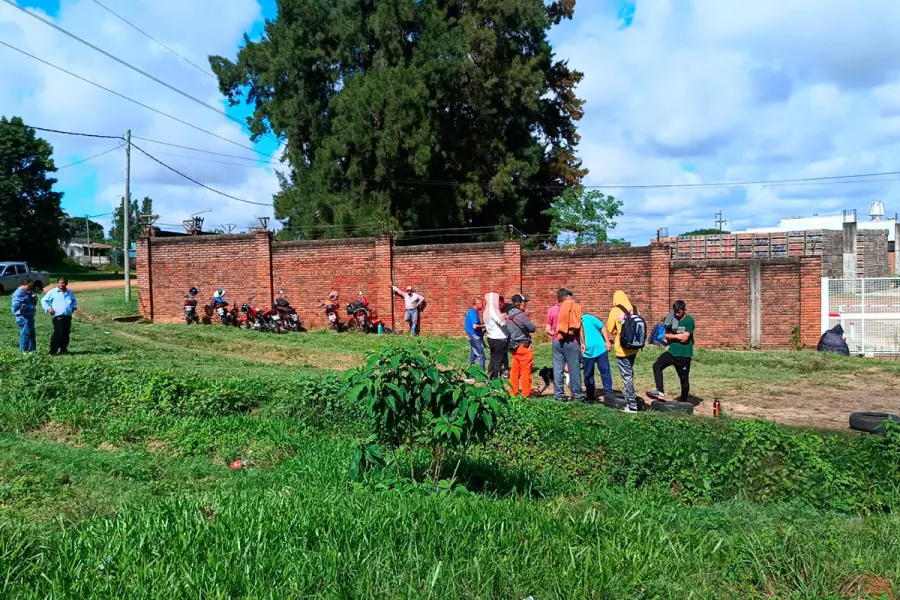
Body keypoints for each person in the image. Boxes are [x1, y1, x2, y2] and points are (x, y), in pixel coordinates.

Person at [649, 300, 695, 403]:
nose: (677, 314)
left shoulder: (689, 321)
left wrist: (670, 336)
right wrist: (663, 337)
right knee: (656, 366)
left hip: (684, 355)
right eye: (675, 312)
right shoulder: (672, 318)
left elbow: (684, 338)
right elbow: (666, 334)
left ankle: (683, 402)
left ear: (684, 310)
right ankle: (660, 392)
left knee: (684, 380)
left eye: (679, 312)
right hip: (672, 352)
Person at [607, 290, 640, 412]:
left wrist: (618, 330)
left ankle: (632, 406)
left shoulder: (615, 310)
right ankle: (631, 398)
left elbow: (610, 329)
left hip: (622, 349)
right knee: (629, 374)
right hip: (634, 348)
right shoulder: (634, 309)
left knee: (627, 377)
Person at [553, 289, 584, 401]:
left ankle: (558, 395)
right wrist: (583, 342)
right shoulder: (573, 307)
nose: (572, 300)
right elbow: (579, 326)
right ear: (565, 297)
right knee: (574, 370)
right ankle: (578, 395)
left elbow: (548, 328)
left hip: (557, 342)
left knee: (558, 370)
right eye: (570, 297)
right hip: (572, 341)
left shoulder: (552, 310)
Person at [506, 294, 536, 397]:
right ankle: (526, 394)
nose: (526, 305)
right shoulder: (521, 315)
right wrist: (527, 317)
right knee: (526, 371)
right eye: (524, 303)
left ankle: (513, 392)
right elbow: (532, 328)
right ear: (520, 303)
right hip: (524, 345)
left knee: (514, 371)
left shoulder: (509, 314)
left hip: (514, 346)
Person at [581, 313, 613, 403]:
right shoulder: (572, 324)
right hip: (586, 353)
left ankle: (608, 393)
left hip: (600, 349)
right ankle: (590, 394)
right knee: (588, 374)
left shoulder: (588, 318)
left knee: (605, 372)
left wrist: (607, 341)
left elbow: (602, 326)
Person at [41, 277, 78, 355]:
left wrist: (73, 307)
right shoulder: (53, 292)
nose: (61, 284)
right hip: (57, 316)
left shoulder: (69, 292)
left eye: (63, 283)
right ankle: (53, 350)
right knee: (58, 332)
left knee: (66, 333)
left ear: (66, 283)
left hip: (67, 316)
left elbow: (73, 301)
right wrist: (48, 308)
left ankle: (63, 349)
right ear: (57, 283)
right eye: (60, 283)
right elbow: (43, 300)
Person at [483, 292, 508, 379]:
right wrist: (507, 318)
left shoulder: (487, 310)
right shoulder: (493, 310)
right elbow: (503, 323)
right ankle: (496, 380)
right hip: (498, 339)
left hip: (491, 337)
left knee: (493, 359)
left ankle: (489, 377)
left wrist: (502, 315)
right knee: (498, 361)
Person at [11, 279, 37, 354]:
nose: (31, 287)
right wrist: (24, 308)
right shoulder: (18, 293)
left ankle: (32, 350)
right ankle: (24, 351)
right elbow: (16, 305)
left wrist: (33, 300)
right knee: (25, 334)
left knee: (31, 334)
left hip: (29, 316)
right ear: (24, 284)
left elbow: (30, 301)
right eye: (30, 285)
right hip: (24, 317)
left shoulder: (27, 292)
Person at [465, 297, 486, 369]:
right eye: (482, 304)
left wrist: (482, 324)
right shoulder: (472, 312)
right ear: (478, 303)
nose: (483, 306)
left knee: (473, 356)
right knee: (481, 356)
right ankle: (481, 373)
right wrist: (484, 326)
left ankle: (469, 372)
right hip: (475, 336)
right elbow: (475, 326)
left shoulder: (473, 312)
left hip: (473, 336)